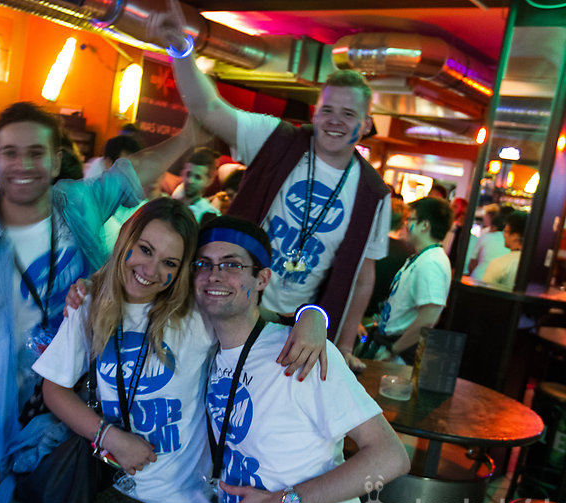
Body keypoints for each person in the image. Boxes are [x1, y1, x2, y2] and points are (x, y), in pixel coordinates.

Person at [0, 102, 218, 503]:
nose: (24, 165)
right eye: (11, 152)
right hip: (32, 431)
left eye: (36, 152)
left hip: (111, 410)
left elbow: (129, 174)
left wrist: (187, 137)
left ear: (57, 160)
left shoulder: (77, 203)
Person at [34, 199, 325, 503]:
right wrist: (109, 437)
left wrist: (312, 316)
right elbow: (54, 388)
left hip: (183, 500)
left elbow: (263, 318)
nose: (150, 270)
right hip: (109, 482)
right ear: (126, 241)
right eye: (145, 250)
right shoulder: (90, 303)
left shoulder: (196, 312)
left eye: (169, 262)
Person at [147, 4, 391, 371]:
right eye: (328, 110)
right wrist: (181, 51)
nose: (335, 121)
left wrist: (342, 345)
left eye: (349, 114)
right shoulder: (277, 140)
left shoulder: (373, 193)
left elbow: (362, 277)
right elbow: (208, 108)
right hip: (224, 305)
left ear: (366, 125)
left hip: (293, 331)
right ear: (315, 112)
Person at [195, 215, 409, 503]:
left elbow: (390, 456)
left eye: (232, 265)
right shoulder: (207, 350)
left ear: (262, 279)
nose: (214, 275)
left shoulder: (302, 351)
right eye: (203, 264)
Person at [368, 197, 454, 363]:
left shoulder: (432, 262)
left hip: (399, 355)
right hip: (390, 346)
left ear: (425, 225)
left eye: (410, 219)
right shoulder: (423, 257)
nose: (405, 224)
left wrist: (394, 349)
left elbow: (429, 316)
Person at [482, 210, 527, 291]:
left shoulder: (499, 264)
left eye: (506, 231)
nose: (503, 235)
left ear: (515, 236)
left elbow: (483, 292)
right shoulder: (533, 264)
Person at [172, 147, 221, 223]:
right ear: (182, 173)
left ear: (209, 181)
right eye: (188, 174)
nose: (190, 180)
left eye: (197, 177)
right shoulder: (170, 205)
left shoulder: (209, 215)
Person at [468, 204, 509, 279]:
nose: (484, 218)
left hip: (478, 277)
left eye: (485, 215)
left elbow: (472, 263)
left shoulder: (485, 236)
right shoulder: (506, 240)